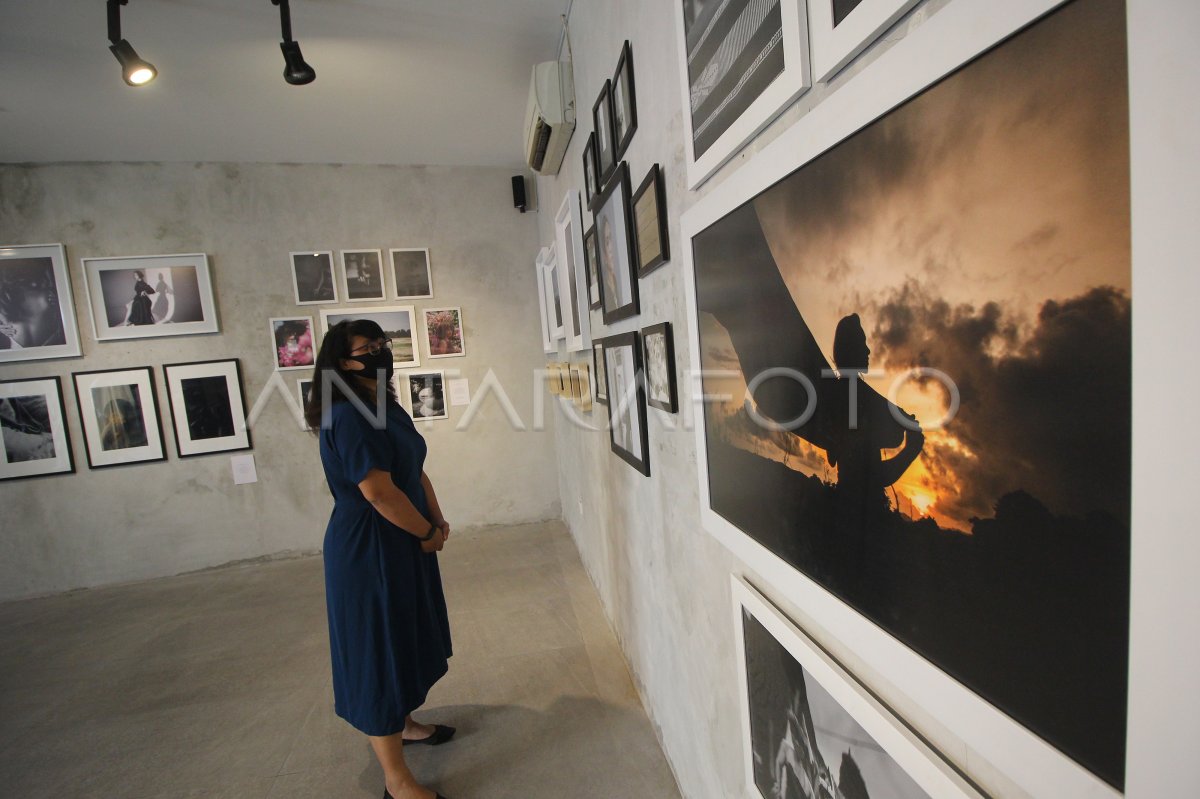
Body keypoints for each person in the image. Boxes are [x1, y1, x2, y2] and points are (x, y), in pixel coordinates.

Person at [305, 319, 455, 799]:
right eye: (367, 347)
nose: (379, 352)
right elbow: (378, 492)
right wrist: (427, 531)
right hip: (370, 547)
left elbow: (415, 470)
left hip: (403, 534)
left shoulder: (382, 403)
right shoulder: (347, 413)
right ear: (341, 362)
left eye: (381, 344)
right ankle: (397, 780)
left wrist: (436, 518)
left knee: (405, 636)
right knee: (378, 650)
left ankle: (404, 722)